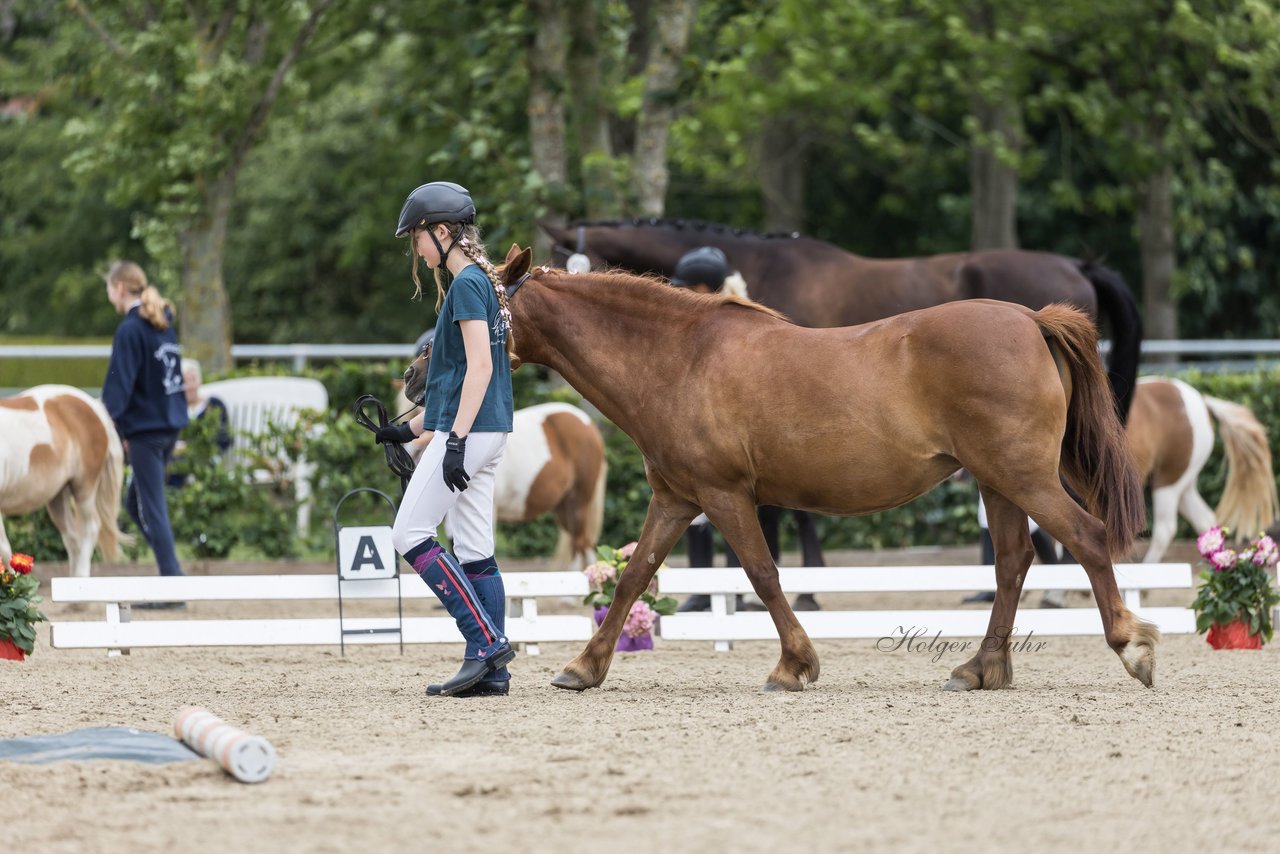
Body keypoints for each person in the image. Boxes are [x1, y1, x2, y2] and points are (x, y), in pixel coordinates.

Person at [377, 181, 517, 698]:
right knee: (475, 548)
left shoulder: (464, 286)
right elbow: (461, 378)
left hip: (472, 433)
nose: (414, 247)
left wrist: (453, 441)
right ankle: (492, 672)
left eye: (417, 237)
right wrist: (408, 429)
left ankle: (485, 642)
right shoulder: (483, 281)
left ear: (442, 232)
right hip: (489, 430)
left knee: (408, 534)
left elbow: (479, 367)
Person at [667, 246, 819, 612]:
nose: (682, 294)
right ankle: (704, 588)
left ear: (706, 285)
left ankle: (770, 588)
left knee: (776, 510)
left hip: (764, 428)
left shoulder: (742, 317)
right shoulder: (698, 320)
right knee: (701, 506)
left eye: (690, 287)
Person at [101, 260, 189, 605]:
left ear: (119, 288)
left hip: (147, 431)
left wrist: (105, 421)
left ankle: (173, 589)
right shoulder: (161, 322)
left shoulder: (130, 329)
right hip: (168, 424)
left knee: (151, 507)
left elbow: (120, 385)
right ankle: (175, 575)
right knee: (135, 505)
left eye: (109, 288)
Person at [167, 358, 232, 488]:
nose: (189, 386)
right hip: (178, 459)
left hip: (207, 459)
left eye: (192, 380)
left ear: (199, 381)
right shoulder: (174, 408)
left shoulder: (214, 405)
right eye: (185, 382)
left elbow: (225, 438)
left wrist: (198, 448)